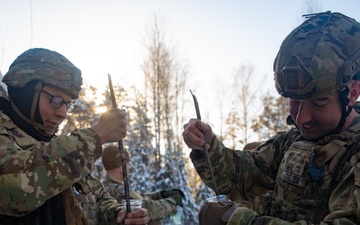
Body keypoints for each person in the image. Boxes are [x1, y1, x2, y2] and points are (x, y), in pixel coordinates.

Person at [183, 11, 360, 224]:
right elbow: (241, 176)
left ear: (352, 93)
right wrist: (207, 146)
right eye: (294, 100)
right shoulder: (292, 142)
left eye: (318, 102)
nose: (301, 118)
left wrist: (239, 220)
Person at [0, 48, 150, 225]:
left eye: (68, 104)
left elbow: (97, 198)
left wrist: (119, 215)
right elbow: (14, 187)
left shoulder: (59, 149)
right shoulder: (9, 136)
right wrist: (97, 135)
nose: (63, 113)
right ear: (27, 91)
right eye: (56, 100)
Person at [101, 145, 185, 225]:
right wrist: (172, 202)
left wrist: (160, 195)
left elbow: (139, 198)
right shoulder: (117, 190)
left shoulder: (107, 186)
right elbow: (148, 209)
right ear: (120, 166)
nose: (129, 167)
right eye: (127, 163)